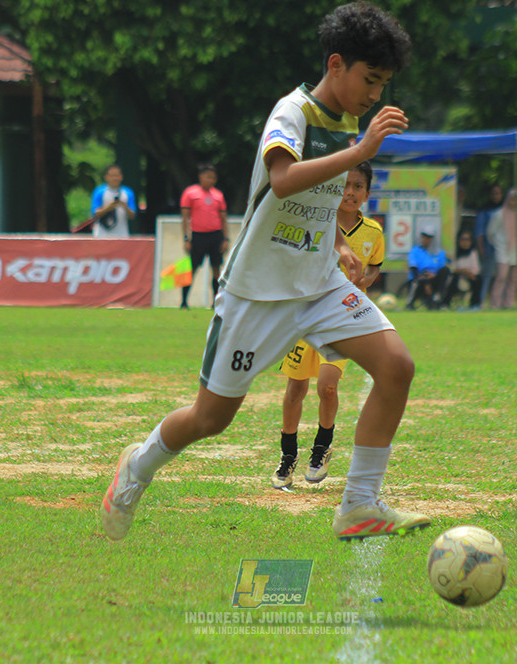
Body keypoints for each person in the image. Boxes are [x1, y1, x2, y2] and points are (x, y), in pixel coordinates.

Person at [100, 2, 427, 543]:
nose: (375, 97)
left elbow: (314, 202)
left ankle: (359, 504)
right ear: (337, 63)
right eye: (371, 80)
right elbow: (282, 180)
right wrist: (362, 151)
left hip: (319, 286)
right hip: (257, 294)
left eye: (384, 85)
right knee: (211, 418)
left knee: (396, 366)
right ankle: (137, 466)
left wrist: (337, 244)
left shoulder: (345, 122)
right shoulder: (292, 112)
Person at [272, 161, 383, 489]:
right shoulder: (316, 223)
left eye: (358, 186)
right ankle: (287, 456)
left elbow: (375, 266)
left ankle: (320, 450)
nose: (350, 192)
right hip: (306, 317)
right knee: (295, 389)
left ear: (367, 193)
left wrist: (366, 279)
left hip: (342, 320)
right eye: (344, 185)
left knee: (327, 387)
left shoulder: (374, 233)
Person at [180, 163, 229, 309]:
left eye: (214, 178)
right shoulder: (190, 193)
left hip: (215, 236)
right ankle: (183, 302)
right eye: (208, 177)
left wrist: (226, 239)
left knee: (216, 269)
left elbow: (223, 219)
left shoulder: (218, 195)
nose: (211, 180)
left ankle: (215, 302)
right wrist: (186, 238)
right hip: (198, 236)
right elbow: (185, 218)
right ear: (201, 177)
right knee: (192, 269)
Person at [487, 188, 517, 309]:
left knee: (513, 279)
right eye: (511, 200)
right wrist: (498, 244)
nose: (513, 203)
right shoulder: (499, 214)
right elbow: (490, 232)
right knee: (501, 276)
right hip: (502, 249)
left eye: (516, 201)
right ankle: (495, 304)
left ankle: (508, 304)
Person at [404, 225, 449, 310]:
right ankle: (410, 303)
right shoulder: (415, 251)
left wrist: (433, 276)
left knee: (446, 271)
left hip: (434, 278)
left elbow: (441, 268)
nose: (426, 239)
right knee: (418, 280)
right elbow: (414, 268)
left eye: (429, 237)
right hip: (420, 277)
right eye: (424, 237)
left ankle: (438, 298)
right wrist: (426, 279)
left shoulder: (439, 252)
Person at [472, 184, 503, 307]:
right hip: (488, 248)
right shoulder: (484, 210)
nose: (496, 196)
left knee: (501, 276)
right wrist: (481, 248)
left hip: (503, 248)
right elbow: (479, 231)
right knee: (486, 276)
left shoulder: (505, 209)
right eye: (494, 193)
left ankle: (497, 302)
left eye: (498, 193)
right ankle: (480, 301)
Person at [89, 164, 136, 238]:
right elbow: (95, 213)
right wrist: (108, 208)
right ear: (106, 177)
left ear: (121, 177)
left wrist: (124, 206)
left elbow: (132, 215)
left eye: (117, 175)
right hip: (102, 234)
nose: (115, 178)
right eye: (112, 176)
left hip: (122, 234)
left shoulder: (128, 193)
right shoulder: (99, 192)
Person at [439, 230, 481, 310]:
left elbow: (476, 269)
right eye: (463, 240)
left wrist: (468, 273)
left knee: (478, 279)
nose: (465, 242)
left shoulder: (473, 253)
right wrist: (463, 271)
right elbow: (452, 268)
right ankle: (445, 304)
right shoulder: (455, 253)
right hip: (457, 278)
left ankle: (475, 304)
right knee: (454, 278)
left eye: (467, 240)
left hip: (469, 277)